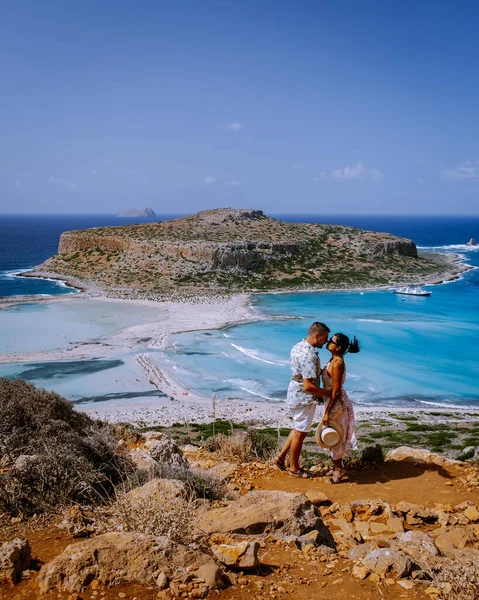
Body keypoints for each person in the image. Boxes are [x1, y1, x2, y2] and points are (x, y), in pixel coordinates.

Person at [275, 322, 331, 478]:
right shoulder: (309, 354)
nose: (325, 342)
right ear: (316, 335)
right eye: (324, 339)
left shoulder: (297, 346)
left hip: (294, 393)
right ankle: (294, 468)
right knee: (301, 433)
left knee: (297, 428)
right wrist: (327, 393)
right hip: (303, 398)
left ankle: (280, 458)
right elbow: (308, 385)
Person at [321, 333, 360, 483]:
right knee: (332, 434)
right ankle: (337, 466)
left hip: (336, 404)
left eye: (331, 341)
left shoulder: (337, 363)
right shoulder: (333, 359)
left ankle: (339, 469)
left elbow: (336, 391)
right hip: (332, 400)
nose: (328, 341)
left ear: (337, 347)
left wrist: (327, 412)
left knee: (335, 436)